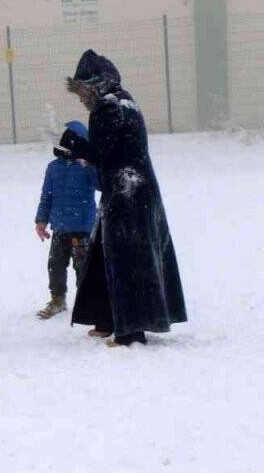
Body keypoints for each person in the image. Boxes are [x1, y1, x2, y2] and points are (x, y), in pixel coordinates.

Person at [64, 49, 186, 346]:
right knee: (106, 255)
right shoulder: (127, 101)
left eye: (82, 91)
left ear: (95, 85)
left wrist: (75, 145)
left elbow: (102, 155)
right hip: (138, 190)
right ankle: (106, 318)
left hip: (125, 194)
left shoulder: (107, 107)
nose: (80, 98)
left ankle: (130, 330)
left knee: (126, 259)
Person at [34, 122, 98, 320]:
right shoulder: (53, 168)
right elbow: (47, 196)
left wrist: (90, 165)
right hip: (60, 227)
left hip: (82, 228)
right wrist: (41, 220)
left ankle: (87, 303)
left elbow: (100, 185)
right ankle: (58, 299)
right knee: (55, 265)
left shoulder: (87, 167)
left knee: (83, 267)